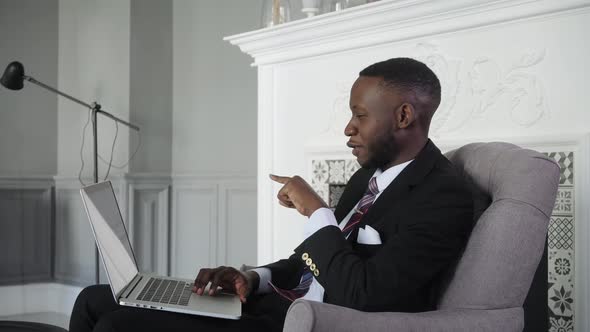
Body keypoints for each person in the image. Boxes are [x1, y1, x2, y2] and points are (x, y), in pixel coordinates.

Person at [69, 57, 474, 332]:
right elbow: (310, 262)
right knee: (93, 300)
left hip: (305, 323)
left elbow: (364, 294)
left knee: (116, 325)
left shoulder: (443, 195)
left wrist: (317, 211)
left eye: (360, 115)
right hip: (274, 304)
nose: (348, 129)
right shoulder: (371, 177)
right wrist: (252, 278)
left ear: (404, 116)